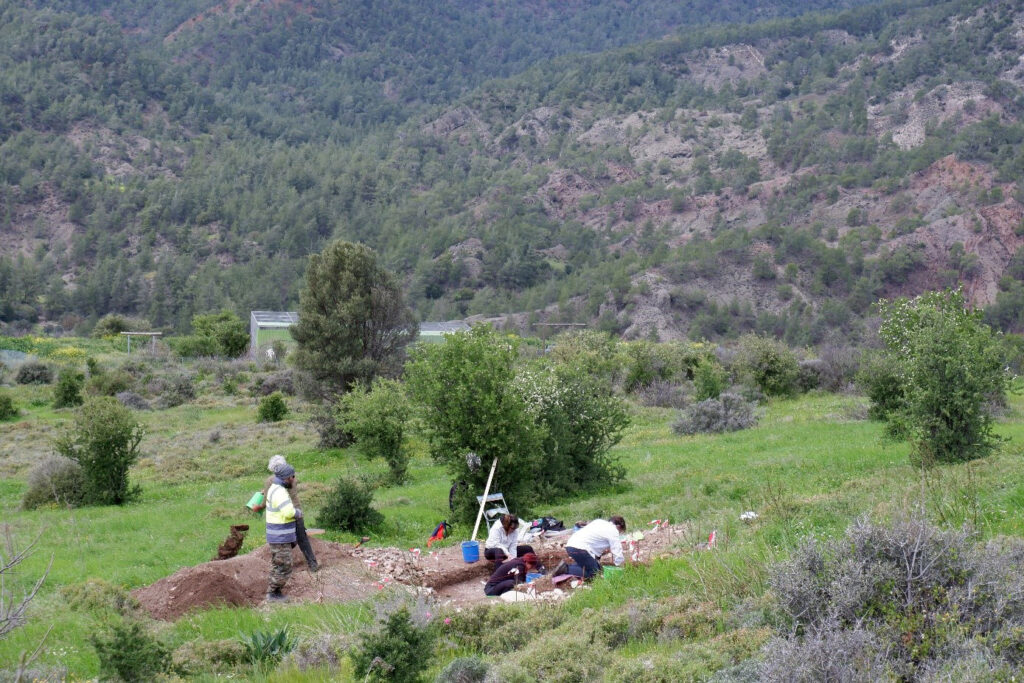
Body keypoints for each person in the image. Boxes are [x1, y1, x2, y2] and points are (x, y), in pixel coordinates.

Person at [257, 455, 318, 572]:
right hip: (297, 510)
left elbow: (267, 500)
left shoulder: (270, 481)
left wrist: (259, 506)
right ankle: (313, 564)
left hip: (283, 516)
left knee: (282, 541)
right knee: (302, 539)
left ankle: (279, 568)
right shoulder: (292, 477)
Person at [553, 515, 626, 579]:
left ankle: (567, 567)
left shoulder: (599, 522)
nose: (619, 534)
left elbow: (594, 542)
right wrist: (620, 567)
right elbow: (617, 550)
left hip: (571, 546)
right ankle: (566, 569)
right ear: (619, 527)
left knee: (598, 568)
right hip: (580, 549)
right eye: (620, 532)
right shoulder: (613, 530)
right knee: (595, 574)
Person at [265, 464, 298, 602]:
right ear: (287, 478)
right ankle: (273, 594)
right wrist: (298, 513)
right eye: (293, 476)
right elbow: (289, 512)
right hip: (280, 536)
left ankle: (273, 591)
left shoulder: (274, 488)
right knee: (285, 565)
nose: (294, 479)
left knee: (278, 564)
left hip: (276, 535)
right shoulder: (280, 492)